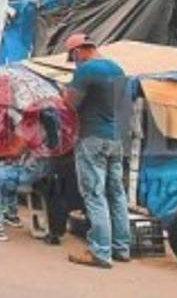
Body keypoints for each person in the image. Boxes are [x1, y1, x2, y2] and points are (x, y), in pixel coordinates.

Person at [63, 33, 131, 269]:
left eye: (73, 58)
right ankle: (122, 247)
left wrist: (64, 93)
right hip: (115, 138)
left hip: (92, 137)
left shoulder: (86, 70)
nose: (74, 63)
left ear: (77, 51)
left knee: (94, 194)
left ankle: (101, 252)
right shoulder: (118, 69)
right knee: (117, 193)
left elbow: (70, 104)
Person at [0, 111, 51, 241]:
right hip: (43, 172)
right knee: (4, 170)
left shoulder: (30, 125)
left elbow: (15, 151)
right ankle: (11, 214)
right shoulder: (49, 124)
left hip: (30, 175)